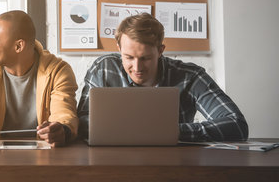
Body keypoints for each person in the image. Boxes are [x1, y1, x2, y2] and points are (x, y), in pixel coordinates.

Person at [77, 13, 248, 142]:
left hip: (173, 165)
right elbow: (82, 122)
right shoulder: (104, 69)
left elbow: (237, 125)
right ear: (119, 48)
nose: (137, 68)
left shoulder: (190, 76)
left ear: (160, 50)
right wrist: (137, 130)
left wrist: (172, 131)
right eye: (128, 57)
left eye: (145, 58)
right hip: (113, 163)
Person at [0, 10, 78, 148]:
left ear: (18, 46)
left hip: (45, 155)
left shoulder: (59, 71)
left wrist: (62, 129)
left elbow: (64, 115)